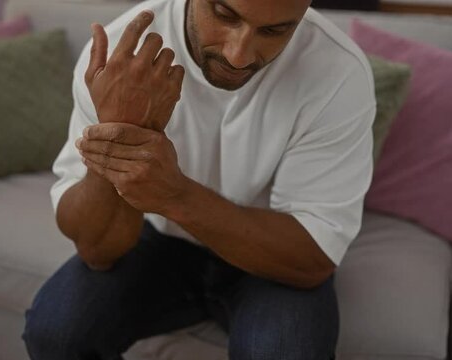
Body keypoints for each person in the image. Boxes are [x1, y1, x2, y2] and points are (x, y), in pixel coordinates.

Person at [22, 0, 375, 358]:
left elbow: (311, 262)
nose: (238, 56)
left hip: (271, 247)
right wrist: (121, 134)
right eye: (224, 15)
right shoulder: (118, 57)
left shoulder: (337, 71)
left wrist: (175, 195)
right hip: (159, 237)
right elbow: (98, 251)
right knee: (56, 334)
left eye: (274, 31)